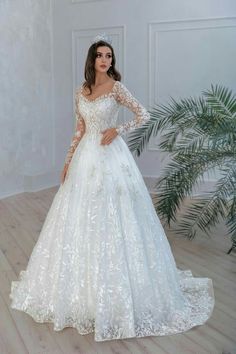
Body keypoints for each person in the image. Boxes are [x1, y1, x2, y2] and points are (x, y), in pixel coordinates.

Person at [9, 33, 214, 342]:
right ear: (91, 60)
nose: (105, 60)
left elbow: (143, 114)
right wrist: (67, 161)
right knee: (79, 217)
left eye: (109, 56)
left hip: (111, 158)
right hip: (84, 159)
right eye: (100, 56)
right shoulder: (81, 91)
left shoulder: (116, 88)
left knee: (118, 215)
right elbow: (79, 129)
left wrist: (117, 130)